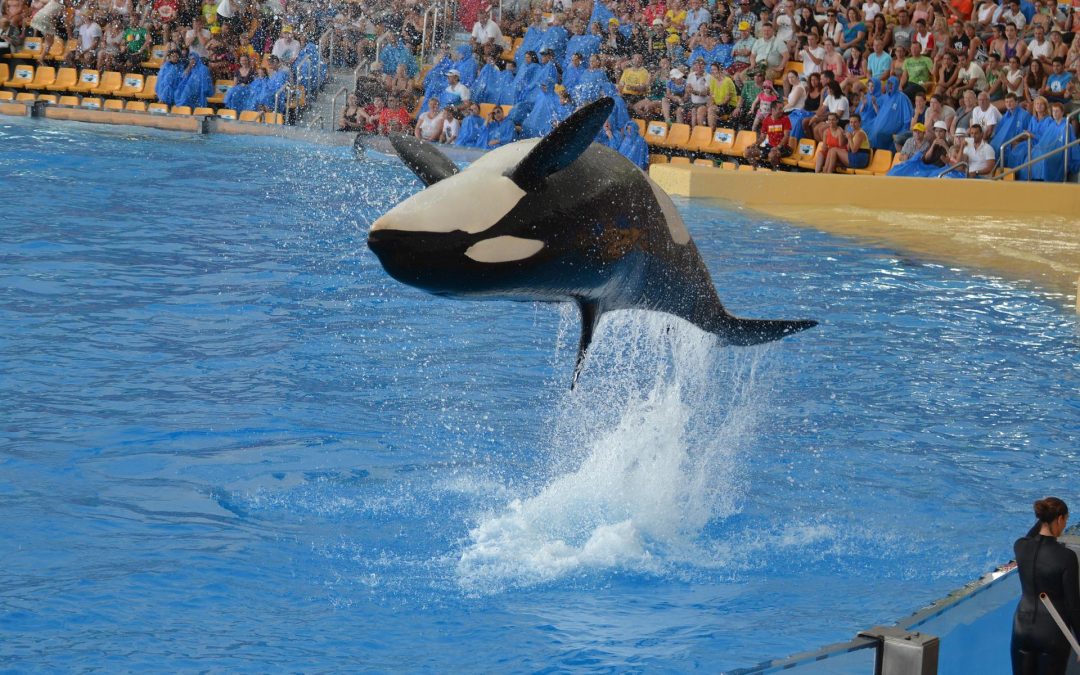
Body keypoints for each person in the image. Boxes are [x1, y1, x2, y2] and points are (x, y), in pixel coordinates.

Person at [1011, 497, 1080, 675]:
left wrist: (1043, 521)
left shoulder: (1020, 546)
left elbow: (1031, 537)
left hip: (1022, 629)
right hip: (1052, 634)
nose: (1064, 526)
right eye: (1065, 520)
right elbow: (1073, 606)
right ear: (1059, 519)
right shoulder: (1067, 557)